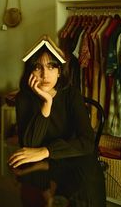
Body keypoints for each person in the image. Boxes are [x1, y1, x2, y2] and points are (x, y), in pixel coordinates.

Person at [8, 37, 96, 169]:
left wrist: (46, 151)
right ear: (29, 72)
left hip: (70, 161)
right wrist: (47, 104)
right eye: (38, 68)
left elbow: (88, 142)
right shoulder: (23, 98)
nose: (45, 75)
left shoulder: (71, 95)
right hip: (37, 165)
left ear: (59, 72)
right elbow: (28, 145)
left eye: (51, 67)